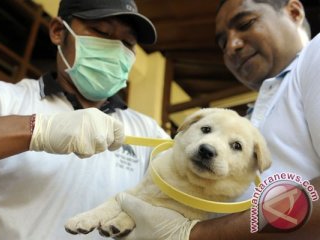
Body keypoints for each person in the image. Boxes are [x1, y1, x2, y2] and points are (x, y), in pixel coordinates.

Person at [0, 0, 169, 239]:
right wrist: (38, 130)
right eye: (101, 32)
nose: (115, 49)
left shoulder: (148, 132)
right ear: (58, 31)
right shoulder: (2, 99)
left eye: (127, 43)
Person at [116, 0, 320, 239]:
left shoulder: (314, 56)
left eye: (246, 23)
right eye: (222, 43)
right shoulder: (256, 113)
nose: (232, 46)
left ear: (294, 12)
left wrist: (198, 234)